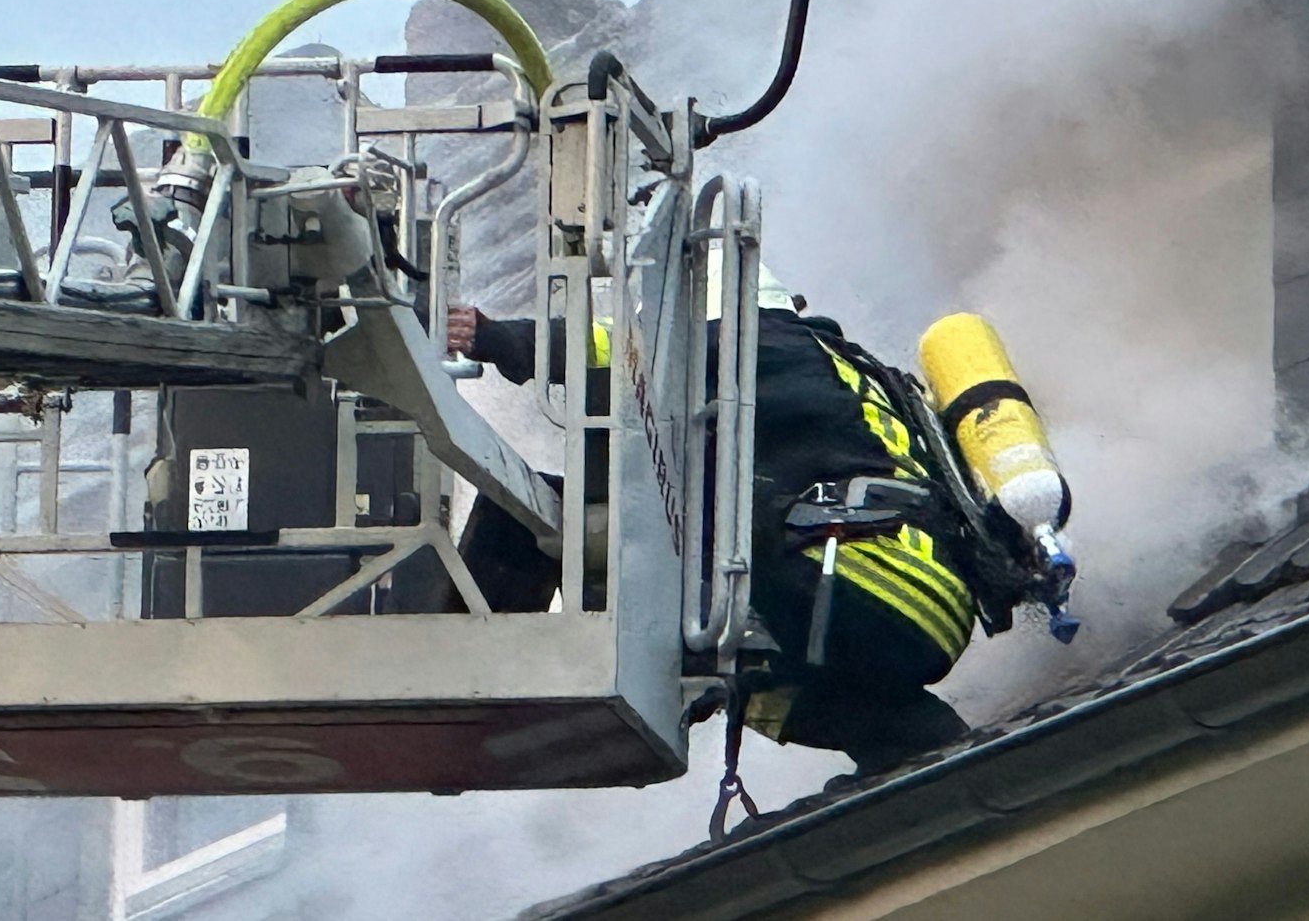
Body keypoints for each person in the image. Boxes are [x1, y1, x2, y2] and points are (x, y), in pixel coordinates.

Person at [447, 269, 1043, 775]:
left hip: (852, 577)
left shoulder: (749, 344)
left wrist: (495, 336)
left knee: (550, 509)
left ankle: (462, 683)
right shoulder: (843, 375)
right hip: (927, 610)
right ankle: (921, 752)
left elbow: (612, 354)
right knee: (741, 672)